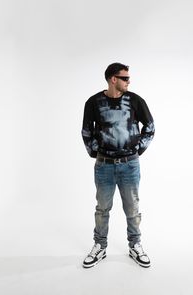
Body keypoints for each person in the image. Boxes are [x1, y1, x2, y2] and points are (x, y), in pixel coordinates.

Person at [81, 62, 155, 268]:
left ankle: (135, 245)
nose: (129, 81)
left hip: (130, 165)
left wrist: (136, 150)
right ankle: (100, 246)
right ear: (113, 79)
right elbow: (86, 131)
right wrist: (96, 152)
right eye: (125, 78)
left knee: (132, 209)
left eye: (128, 78)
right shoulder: (93, 102)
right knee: (102, 208)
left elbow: (150, 127)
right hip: (103, 165)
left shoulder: (135, 101)